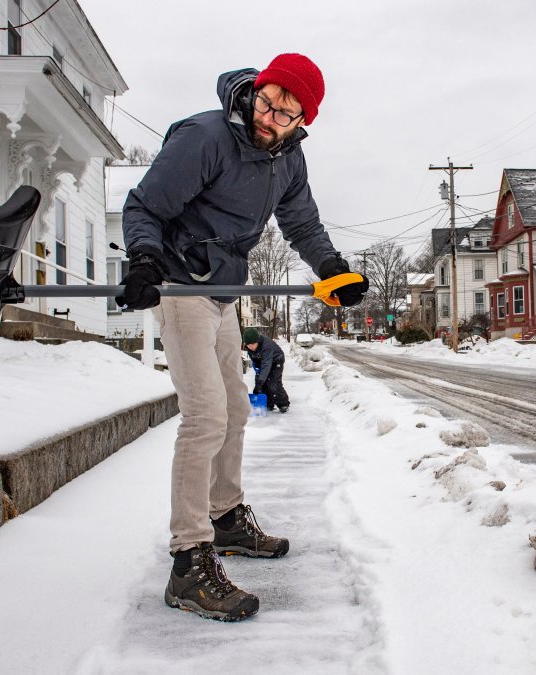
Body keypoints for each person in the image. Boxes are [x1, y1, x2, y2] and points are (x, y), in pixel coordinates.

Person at [117, 53, 367, 622]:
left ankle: (225, 517)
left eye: (285, 113)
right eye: (266, 101)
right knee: (205, 415)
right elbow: (145, 206)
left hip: (223, 291)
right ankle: (188, 560)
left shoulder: (289, 160)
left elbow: (302, 224)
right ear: (257, 90)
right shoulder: (206, 137)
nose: (268, 116)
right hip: (179, 285)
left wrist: (332, 269)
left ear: (304, 121)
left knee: (234, 407)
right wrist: (144, 259)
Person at [243, 327, 288, 413]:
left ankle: (283, 403)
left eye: (253, 344)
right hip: (263, 361)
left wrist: (260, 381)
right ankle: (268, 403)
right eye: (249, 345)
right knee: (262, 384)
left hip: (276, 360)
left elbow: (266, 365)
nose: (251, 347)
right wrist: (259, 380)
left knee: (273, 382)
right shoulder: (249, 347)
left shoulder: (266, 345)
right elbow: (255, 359)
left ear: (258, 341)